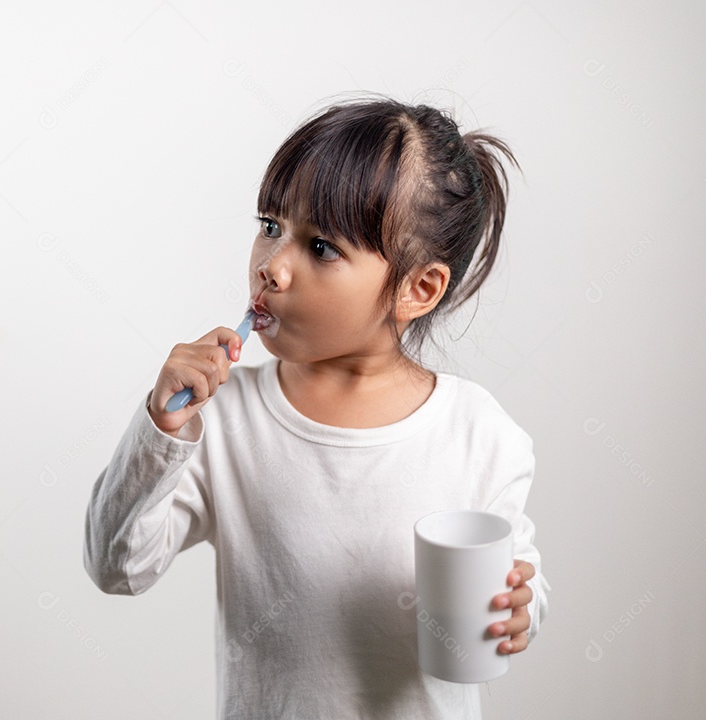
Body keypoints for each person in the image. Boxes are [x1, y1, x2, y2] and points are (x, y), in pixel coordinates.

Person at [83, 93, 551, 719]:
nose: (272, 268)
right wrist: (161, 430)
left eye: (322, 247)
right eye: (270, 227)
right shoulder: (222, 421)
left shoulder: (479, 433)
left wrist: (523, 606)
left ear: (418, 289)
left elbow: (517, 569)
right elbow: (117, 566)